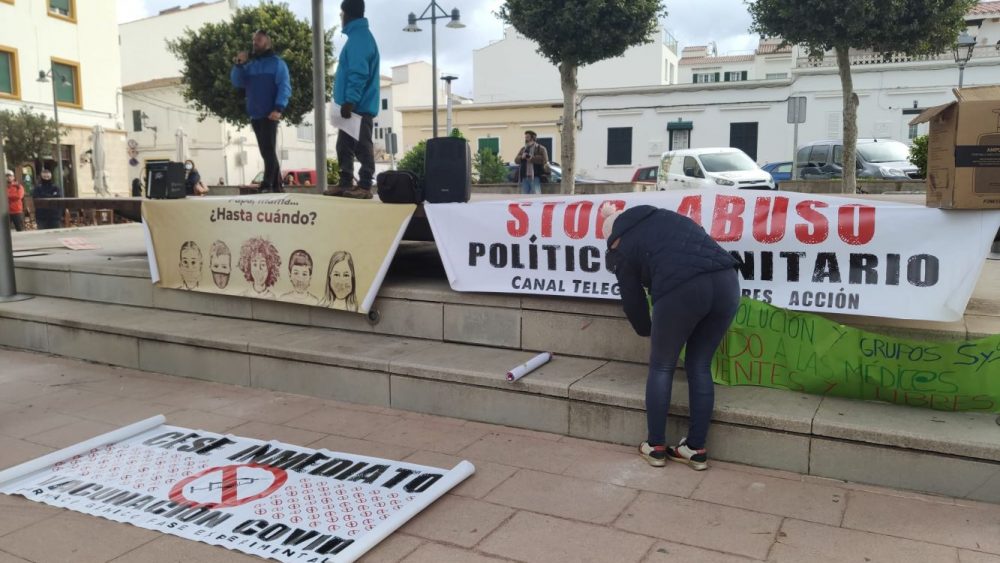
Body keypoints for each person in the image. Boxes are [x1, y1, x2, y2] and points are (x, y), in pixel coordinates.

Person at [601, 203, 740, 471]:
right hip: (727, 282)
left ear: (613, 235)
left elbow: (633, 299)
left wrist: (648, 330)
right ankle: (695, 449)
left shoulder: (622, 245)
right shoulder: (665, 217)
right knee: (700, 366)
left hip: (682, 289)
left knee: (662, 366)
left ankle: (655, 447)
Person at [325, 0, 380, 200]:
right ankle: (346, 183)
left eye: (341, 14)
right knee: (344, 146)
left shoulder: (359, 38)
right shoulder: (359, 37)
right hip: (352, 105)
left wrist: (350, 101)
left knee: (362, 146)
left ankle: (365, 185)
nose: (340, 18)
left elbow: (358, 73)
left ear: (346, 14)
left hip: (357, 106)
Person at [231, 29, 291, 193]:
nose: (254, 42)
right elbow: (237, 82)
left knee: (268, 150)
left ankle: (267, 183)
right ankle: (277, 186)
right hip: (255, 114)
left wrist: (279, 108)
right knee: (266, 149)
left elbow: (284, 87)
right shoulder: (250, 65)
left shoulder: (277, 63)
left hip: (270, 113)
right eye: (253, 40)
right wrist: (239, 65)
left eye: (258, 40)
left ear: (268, 42)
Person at [514, 131, 549, 195]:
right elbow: (516, 160)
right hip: (525, 177)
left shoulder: (540, 148)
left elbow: (545, 160)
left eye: (527, 137)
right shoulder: (523, 149)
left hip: (535, 177)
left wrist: (532, 158)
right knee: (524, 199)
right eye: (525, 137)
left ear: (533, 138)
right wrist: (522, 157)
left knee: (536, 197)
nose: (526, 139)